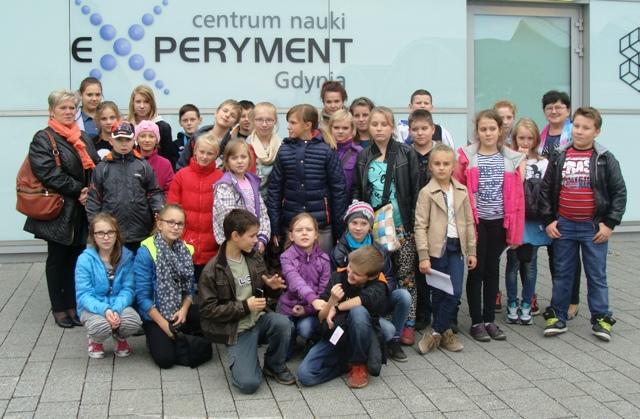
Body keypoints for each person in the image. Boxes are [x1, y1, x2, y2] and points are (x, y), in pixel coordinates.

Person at [540, 107, 626, 342]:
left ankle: (601, 318)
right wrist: (548, 220)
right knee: (562, 273)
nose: (579, 131)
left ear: (596, 131)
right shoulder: (559, 156)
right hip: (564, 226)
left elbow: (619, 192)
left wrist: (609, 224)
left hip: (593, 228)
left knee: (596, 275)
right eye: (576, 126)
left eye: (586, 128)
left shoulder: (605, 158)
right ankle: (557, 316)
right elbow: (546, 190)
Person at [24, 89, 99, 328]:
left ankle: (73, 305)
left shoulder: (82, 137)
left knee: (76, 259)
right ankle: (59, 308)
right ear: (51, 111)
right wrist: (80, 190)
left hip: (81, 210)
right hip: (58, 210)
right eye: (63, 108)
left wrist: (91, 190)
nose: (68, 112)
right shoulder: (43, 138)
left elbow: (95, 166)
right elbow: (47, 172)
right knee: (57, 260)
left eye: (72, 108)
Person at [199, 209, 295, 394]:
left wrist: (271, 287)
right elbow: (208, 310)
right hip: (237, 329)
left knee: (284, 324)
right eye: (252, 236)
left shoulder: (253, 257)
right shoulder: (213, 270)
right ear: (235, 236)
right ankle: (245, 361)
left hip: (258, 319)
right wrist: (244, 306)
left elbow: (261, 289)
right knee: (248, 384)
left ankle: (274, 365)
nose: (256, 240)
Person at [453, 109, 525, 342]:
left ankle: (489, 320)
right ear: (477, 131)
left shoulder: (511, 158)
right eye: (483, 129)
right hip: (476, 223)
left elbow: (518, 198)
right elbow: (457, 188)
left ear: (500, 130)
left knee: (493, 270)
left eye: (492, 128)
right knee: (477, 270)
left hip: (499, 222)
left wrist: (515, 231)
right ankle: (476, 321)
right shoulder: (467, 157)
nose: (488, 133)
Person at [352, 106, 420, 345]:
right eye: (375, 124)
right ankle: (385, 319)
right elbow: (358, 190)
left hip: (402, 226)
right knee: (379, 274)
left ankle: (408, 323)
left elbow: (415, 190)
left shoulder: (406, 153)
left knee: (406, 275)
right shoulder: (364, 156)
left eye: (384, 124)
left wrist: (414, 225)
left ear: (392, 127)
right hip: (375, 228)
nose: (379, 129)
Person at [297, 246, 388, 389]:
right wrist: (332, 301)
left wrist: (337, 307)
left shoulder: (378, 284)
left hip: (360, 337)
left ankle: (358, 364)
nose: (350, 274)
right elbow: (321, 318)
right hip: (335, 335)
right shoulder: (338, 277)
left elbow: (362, 300)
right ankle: (344, 365)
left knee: (358, 311)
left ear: (370, 276)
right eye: (350, 267)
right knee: (305, 375)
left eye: (357, 274)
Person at [415, 144, 477, 354]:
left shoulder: (461, 190)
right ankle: (446, 333)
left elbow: (469, 222)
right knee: (439, 293)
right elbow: (420, 226)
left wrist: (472, 250)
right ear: (430, 167)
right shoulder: (426, 192)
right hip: (436, 249)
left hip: (456, 247)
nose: (441, 167)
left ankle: (435, 333)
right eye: (437, 163)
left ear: (453, 166)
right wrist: (423, 256)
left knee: (455, 291)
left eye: (446, 164)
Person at [331, 201, 410, 363]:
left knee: (404, 296)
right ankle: (362, 350)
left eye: (364, 223)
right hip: (352, 303)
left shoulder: (380, 249)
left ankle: (394, 341)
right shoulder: (339, 251)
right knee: (385, 330)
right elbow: (338, 282)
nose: (358, 228)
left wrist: (378, 293)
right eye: (354, 223)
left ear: (370, 226)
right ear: (347, 224)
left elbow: (389, 278)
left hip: (376, 298)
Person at [267, 104, 347, 256]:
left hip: (321, 227)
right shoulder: (284, 150)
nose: (288, 127)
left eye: (293, 123)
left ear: (307, 125)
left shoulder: (326, 150)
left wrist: (339, 230)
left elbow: (339, 190)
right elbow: (274, 190)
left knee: (323, 267)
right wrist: (275, 227)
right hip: (291, 225)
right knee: (292, 267)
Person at [135, 204, 202, 368]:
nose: (175, 227)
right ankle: (161, 337)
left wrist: (184, 310)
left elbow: (189, 288)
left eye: (180, 223)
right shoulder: (146, 252)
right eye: (170, 222)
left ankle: (182, 333)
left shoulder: (185, 250)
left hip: (179, 309)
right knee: (165, 360)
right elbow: (143, 298)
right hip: (155, 313)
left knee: (208, 319)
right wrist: (165, 326)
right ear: (160, 224)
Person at [86, 121, 164, 252]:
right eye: (119, 140)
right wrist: (96, 227)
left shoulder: (143, 165)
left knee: (141, 264)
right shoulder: (102, 167)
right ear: (111, 141)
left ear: (134, 140)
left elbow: (155, 192)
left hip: (141, 231)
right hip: (111, 233)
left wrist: (159, 214)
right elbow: (93, 200)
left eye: (127, 139)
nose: (123, 144)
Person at [538, 90, 581, 320]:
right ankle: (559, 299)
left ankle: (572, 300)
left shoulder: (575, 133)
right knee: (554, 254)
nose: (554, 111)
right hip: (547, 201)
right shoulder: (542, 135)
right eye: (549, 107)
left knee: (569, 255)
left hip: (569, 200)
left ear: (567, 109)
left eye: (559, 107)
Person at [75, 213, 142, 358]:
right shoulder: (85, 259)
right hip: (93, 307)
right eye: (100, 233)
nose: (106, 237)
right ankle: (95, 340)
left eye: (110, 232)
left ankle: (120, 336)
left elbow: (129, 289)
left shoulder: (127, 257)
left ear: (117, 234)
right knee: (101, 326)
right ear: (93, 236)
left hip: (118, 304)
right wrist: (105, 310)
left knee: (133, 322)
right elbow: (84, 295)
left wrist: (116, 309)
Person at [504, 119, 551, 325]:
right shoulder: (509, 159)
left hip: (532, 219)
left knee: (530, 264)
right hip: (515, 219)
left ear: (536, 140)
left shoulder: (543, 162)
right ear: (514, 138)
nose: (525, 142)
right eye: (521, 138)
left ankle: (526, 303)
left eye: (529, 138)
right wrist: (520, 161)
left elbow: (547, 191)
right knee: (512, 264)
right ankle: (512, 302)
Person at [167, 133, 223, 281]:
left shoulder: (221, 178)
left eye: (210, 153)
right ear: (195, 151)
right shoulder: (181, 176)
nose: (204, 156)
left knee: (207, 289)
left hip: (211, 248)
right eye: (202, 152)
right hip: (184, 245)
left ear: (216, 155)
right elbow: (172, 210)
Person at [278, 213, 330, 358]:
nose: (304, 233)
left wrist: (307, 309)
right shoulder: (286, 257)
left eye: (309, 229)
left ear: (316, 234)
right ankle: (290, 336)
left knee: (305, 328)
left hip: (311, 310)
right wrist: (312, 298)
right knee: (284, 355)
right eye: (299, 230)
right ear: (291, 236)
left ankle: (312, 339)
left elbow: (323, 292)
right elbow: (295, 280)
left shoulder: (324, 259)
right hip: (288, 308)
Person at [213, 139, 270, 253]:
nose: (239, 161)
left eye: (243, 157)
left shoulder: (252, 182)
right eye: (234, 158)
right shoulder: (225, 185)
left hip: (254, 242)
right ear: (227, 161)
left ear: (249, 159)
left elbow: (263, 213)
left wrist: (261, 238)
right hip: (235, 244)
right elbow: (228, 218)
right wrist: (246, 240)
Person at [409, 109, 438, 331]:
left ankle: (445, 313)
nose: (420, 133)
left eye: (424, 128)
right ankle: (422, 311)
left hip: (437, 218)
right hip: (414, 217)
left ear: (433, 129)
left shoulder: (440, 153)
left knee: (439, 265)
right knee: (419, 267)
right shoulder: (406, 153)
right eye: (415, 129)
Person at [127, 85, 178, 169]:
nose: (142, 106)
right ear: (132, 103)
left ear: (152, 104)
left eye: (146, 102)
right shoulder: (126, 126)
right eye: (138, 102)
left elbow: (169, 159)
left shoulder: (163, 127)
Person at [245, 102, 282, 200]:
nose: (264, 124)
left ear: (275, 121)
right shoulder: (245, 146)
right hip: (250, 197)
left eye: (269, 120)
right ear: (253, 121)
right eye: (259, 120)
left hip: (274, 198)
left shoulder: (282, 146)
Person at [327, 109, 362, 199]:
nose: (340, 131)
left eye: (345, 128)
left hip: (350, 201)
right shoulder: (324, 150)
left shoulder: (359, 152)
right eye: (336, 128)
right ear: (330, 128)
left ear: (352, 129)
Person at [135, 120, 174, 194]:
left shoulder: (165, 164)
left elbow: (170, 190)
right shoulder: (130, 161)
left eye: (151, 136)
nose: (147, 140)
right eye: (143, 136)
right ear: (137, 139)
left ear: (156, 140)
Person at [174, 104, 203, 168]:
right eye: (185, 120)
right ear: (180, 122)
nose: (189, 123)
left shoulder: (207, 141)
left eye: (192, 119)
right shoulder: (175, 145)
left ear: (200, 120)